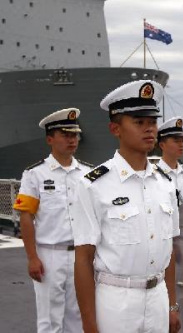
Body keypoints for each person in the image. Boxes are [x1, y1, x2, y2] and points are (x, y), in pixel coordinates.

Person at [71, 80, 181, 333]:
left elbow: (170, 251)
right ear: (115, 129)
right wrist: (89, 323)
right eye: (138, 122)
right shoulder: (93, 185)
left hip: (158, 297)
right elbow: (83, 258)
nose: (149, 129)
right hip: (116, 300)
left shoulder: (165, 183)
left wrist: (172, 306)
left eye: (152, 122)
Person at [13, 108, 92, 333]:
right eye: (66, 135)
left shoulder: (88, 173)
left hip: (81, 255)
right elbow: (26, 216)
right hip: (50, 255)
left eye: (75, 135)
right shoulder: (35, 174)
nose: (72, 140)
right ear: (50, 139)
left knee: (78, 316)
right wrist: (32, 258)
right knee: (50, 319)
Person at [157, 116, 183, 204]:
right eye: (176, 141)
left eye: (182, 140)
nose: (181, 145)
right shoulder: (154, 177)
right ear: (162, 145)